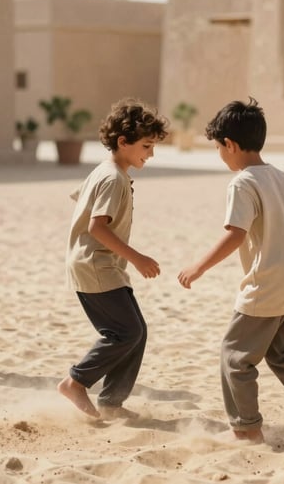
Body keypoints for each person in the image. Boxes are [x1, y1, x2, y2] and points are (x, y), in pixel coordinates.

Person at [177, 98, 284, 445]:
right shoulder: (279, 176)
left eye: (219, 149)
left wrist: (199, 267)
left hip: (268, 283)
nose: (221, 156)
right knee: (283, 353)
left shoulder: (243, 182)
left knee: (234, 355)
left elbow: (235, 233)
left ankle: (246, 428)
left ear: (231, 145)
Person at [57, 98, 169, 419]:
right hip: (96, 266)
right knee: (125, 333)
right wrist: (137, 258)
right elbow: (96, 226)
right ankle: (75, 382)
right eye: (146, 146)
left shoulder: (105, 172)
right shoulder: (113, 178)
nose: (151, 153)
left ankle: (111, 402)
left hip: (99, 265)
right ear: (123, 141)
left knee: (136, 332)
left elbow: (81, 203)